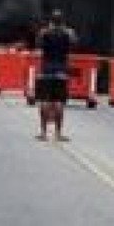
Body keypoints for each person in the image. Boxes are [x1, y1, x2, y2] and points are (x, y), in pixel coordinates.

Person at [35, 10, 76, 142]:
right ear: (62, 21)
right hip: (61, 72)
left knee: (44, 101)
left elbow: (38, 43)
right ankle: (58, 134)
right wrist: (66, 30)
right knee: (59, 102)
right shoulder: (67, 34)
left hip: (46, 71)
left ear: (51, 21)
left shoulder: (44, 33)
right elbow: (74, 42)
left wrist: (47, 30)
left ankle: (43, 133)